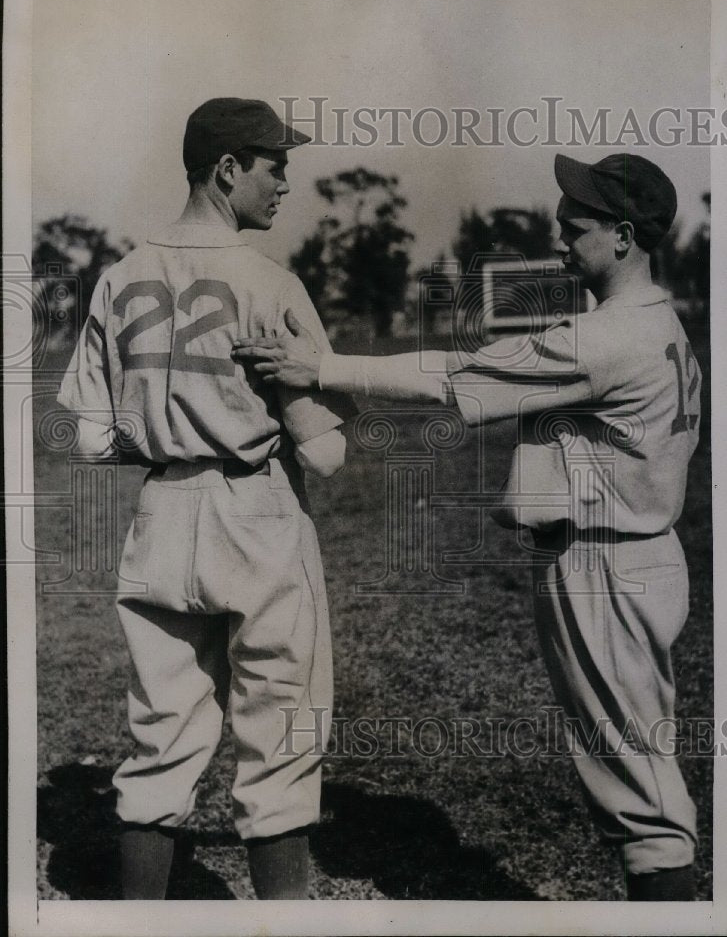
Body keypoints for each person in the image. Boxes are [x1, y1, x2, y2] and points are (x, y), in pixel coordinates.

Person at [232, 152, 702, 901]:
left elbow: (453, 376)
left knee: (640, 792)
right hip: (638, 556)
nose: (558, 241)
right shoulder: (655, 323)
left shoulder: (608, 337)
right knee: (639, 762)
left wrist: (317, 368)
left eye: (573, 228)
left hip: (604, 566)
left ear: (621, 236)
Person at [57, 97, 355, 899]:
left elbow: (89, 437)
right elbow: (327, 453)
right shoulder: (269, 280)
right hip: (255, 511)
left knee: (160, 738)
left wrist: (168, 431)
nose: (285, 183)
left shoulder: (119, 278)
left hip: (162, 512)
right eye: (274, 165)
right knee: (281, 739)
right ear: (228, 169)